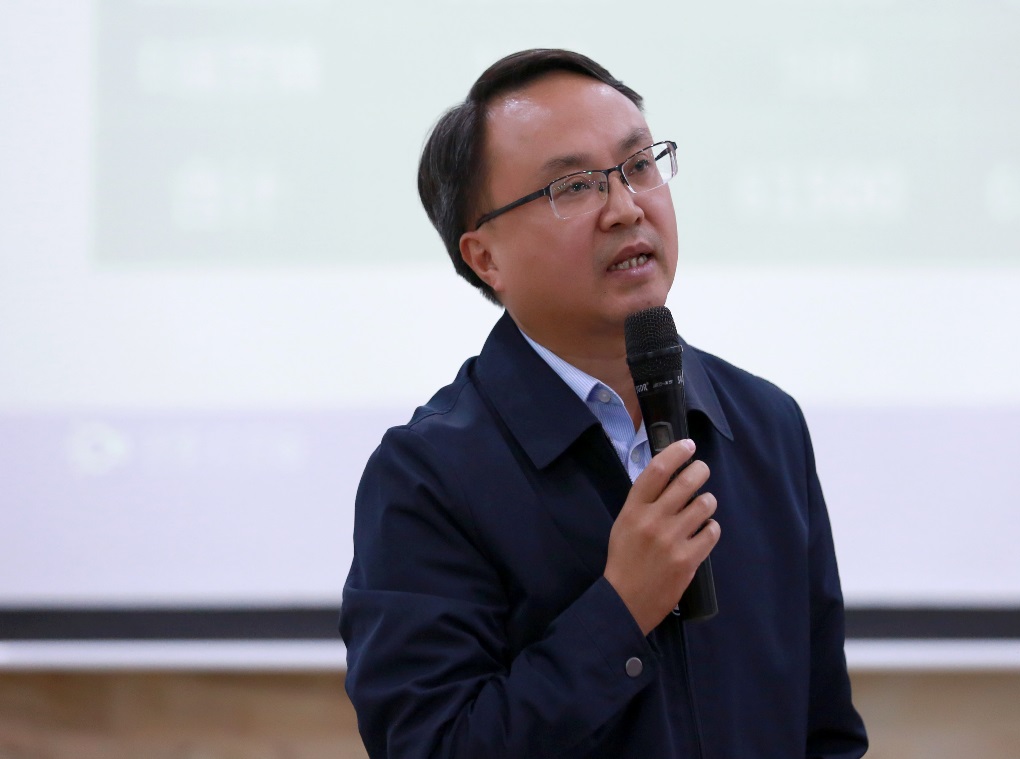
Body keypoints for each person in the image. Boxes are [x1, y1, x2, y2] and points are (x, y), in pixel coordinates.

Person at [340, 49, 869, 758]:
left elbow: (824, 731)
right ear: (485, 257)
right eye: (574, 186)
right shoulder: (428, 476)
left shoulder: (764, 424)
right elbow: (432, 746)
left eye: (639, 165)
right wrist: (620, 612)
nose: (626, 208)